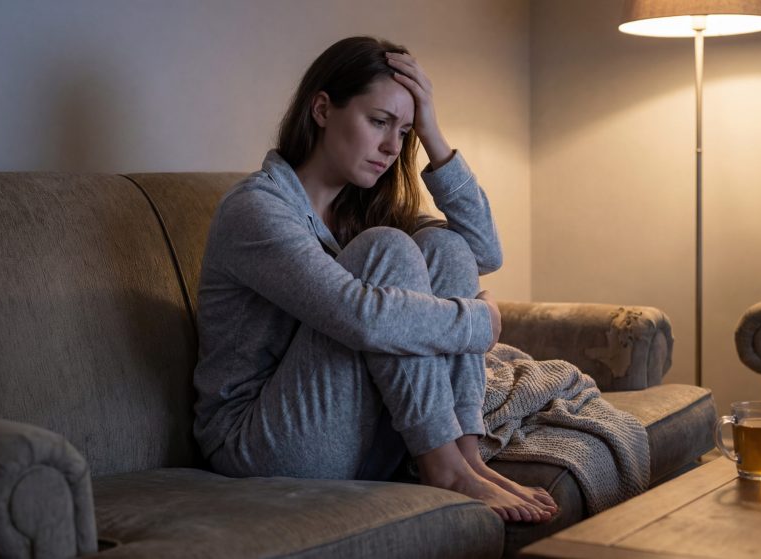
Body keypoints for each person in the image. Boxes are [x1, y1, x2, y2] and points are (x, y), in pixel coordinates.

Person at [193, 36, 557, 523]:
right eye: (379, 121)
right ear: (323, 109)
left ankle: (466, 458)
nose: (391, 147)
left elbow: (482, 251)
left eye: (404, 131)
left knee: (445, 245)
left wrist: (433, 133)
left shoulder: (362, 208)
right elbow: (359, 316)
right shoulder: (256, 208)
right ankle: (445, 470)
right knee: (386, 248)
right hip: (261, 444)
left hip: (359, 432)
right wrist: (480, 322)